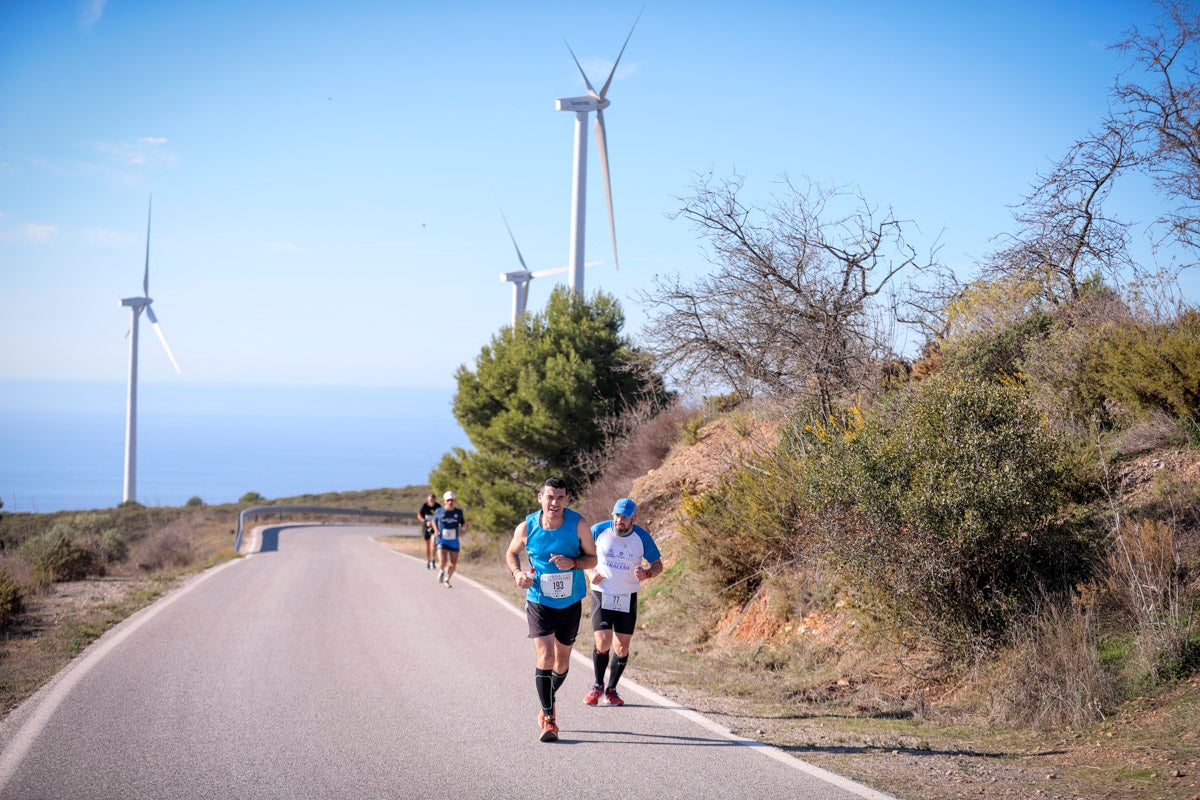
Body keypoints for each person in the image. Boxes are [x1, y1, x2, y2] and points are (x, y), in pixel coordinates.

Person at [504, 477, 597, 742]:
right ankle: (549, 719)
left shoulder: (578, 524)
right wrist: (517, 573)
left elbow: (593, 559)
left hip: (570, 600)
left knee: (562, 661)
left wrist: (574, 563)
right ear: (540, 498)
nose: (554, 503)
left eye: (560, 498)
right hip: (539, 599)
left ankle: (548, 697)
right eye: (550, 497)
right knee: (545, 655)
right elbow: (511, 553)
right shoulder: (527, 526)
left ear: (566, 500)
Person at [583, 497, 662, 707]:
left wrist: (647, 573)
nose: (620, 521)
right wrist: (590, 573)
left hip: (627, 596)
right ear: (613, 515)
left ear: (633, 518)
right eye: (617, 516)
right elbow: (582, 556)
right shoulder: (598, 530)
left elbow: (658, 564)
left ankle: (611, 690)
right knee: (603, 641)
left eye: (625, 517)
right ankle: (597, 685)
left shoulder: (641, 537)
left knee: (622, 646)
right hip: (602, 593)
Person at [433, 491, 467, 588]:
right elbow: (434, 521)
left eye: (452, 500)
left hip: (453, 540)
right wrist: (436, 531)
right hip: (442, 539)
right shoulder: (439, 511)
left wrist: (463, 527)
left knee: (453, 563)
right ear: (444, 501)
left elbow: (462, 522)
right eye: (448, 500)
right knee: (443, 560)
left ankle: (447, 579)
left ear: (454, 501)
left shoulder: (458, 512)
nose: (450, 502)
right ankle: (441, 571)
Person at [416, 493, 440, 569]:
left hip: (434, 527)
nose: (431, 502)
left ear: (435, 500)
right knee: (427, 545)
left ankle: (433, 560)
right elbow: (419, 515)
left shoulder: (438, 507)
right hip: (426, 527)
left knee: (433, 544)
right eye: (430, 500)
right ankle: (428, 561)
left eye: (433, 500)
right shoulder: (425, 506)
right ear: (428, 500)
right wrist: (425, 521)